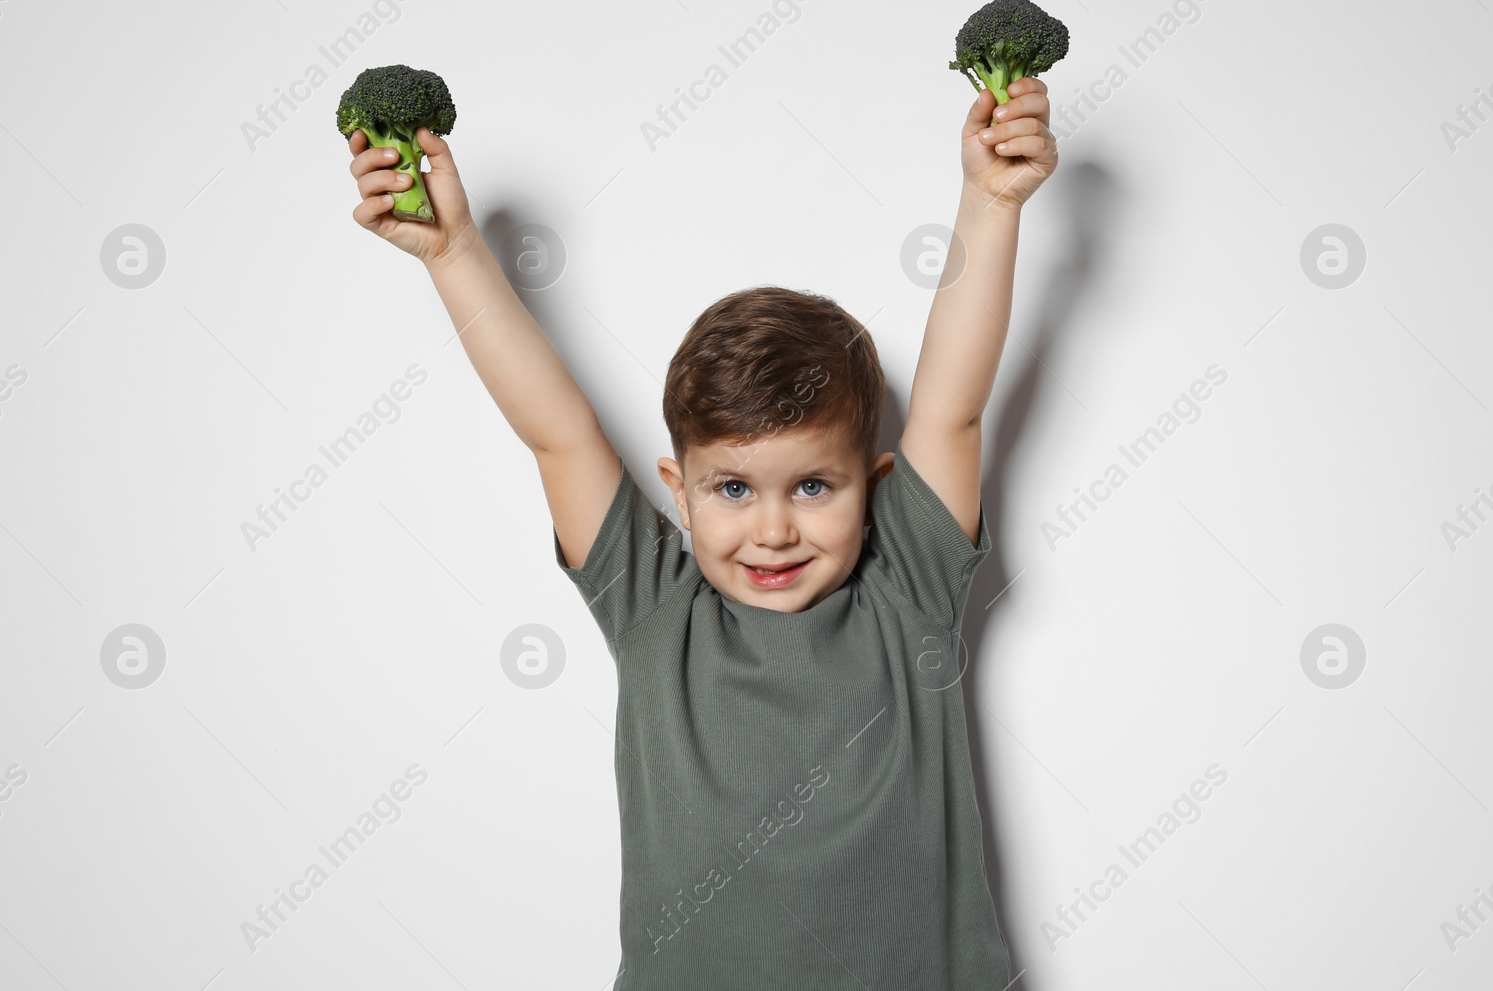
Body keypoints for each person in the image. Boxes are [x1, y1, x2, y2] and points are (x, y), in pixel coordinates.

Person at [345, 77, 1057, 989]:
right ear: (678, 493)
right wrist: (452, 253)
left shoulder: (907, 587)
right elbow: (558, 432)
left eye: (812, 485)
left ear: (875, 485)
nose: (773, 528)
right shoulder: (654, 611)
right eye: (732, 488)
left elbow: (953, 407)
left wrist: (991, 201)